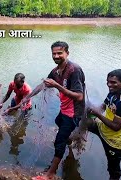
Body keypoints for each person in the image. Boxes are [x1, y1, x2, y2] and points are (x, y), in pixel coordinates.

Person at [26, 41, 85, 179]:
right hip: (64, 109)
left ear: (67, 53)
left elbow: (80, 96)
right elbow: (43, 84)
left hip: (74, 112)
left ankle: (50, 173)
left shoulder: (74, 70)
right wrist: (26, 98)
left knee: (59, 141)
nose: (56, 56)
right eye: (54, 53)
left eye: (60, 53)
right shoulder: (55, 71)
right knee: (58, 121)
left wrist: (57, 86)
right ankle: (69, 139)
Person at [87, 69, 121, 180]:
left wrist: (98, 114)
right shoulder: (113, 93)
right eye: (108, 81)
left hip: (115, 141)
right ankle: (73, 142)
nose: (109, 85)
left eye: (114, 82)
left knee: (113, 169)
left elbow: (116, 127)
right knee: (83, 123)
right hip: (103, 127)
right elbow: (103, 106)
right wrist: (93, 112)